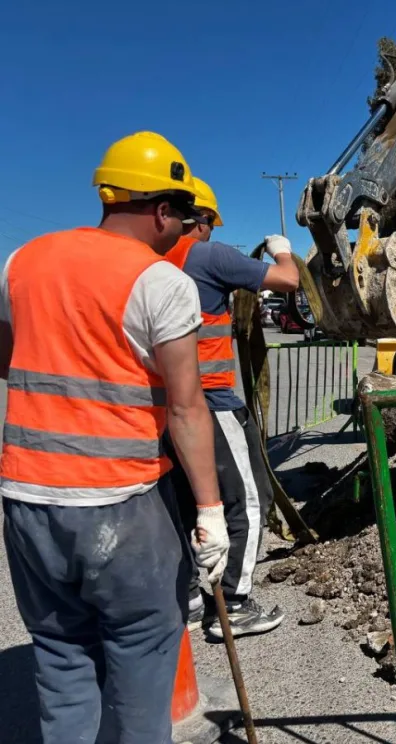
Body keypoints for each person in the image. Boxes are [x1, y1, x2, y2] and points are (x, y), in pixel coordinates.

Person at [0, 132, 229, 744]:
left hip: (27, 502)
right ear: (160, 210)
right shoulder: (160, 281)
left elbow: (8, 359)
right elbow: (186, 408)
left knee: (60, 656)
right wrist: (211, 513)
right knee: (140, 657)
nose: (185, 227)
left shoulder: (22, 261)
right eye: (183, 215)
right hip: (120, 507)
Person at [165, 176, 300, 638]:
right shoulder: (209, 255)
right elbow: (288, 280)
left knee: (186, 502)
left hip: (168, 405)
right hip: (213, 403)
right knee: (247, 501)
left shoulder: (157, 261)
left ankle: (186, 592)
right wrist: (283, 249)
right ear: (199, 220)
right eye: (209, 223)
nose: (211, 230)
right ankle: (235, 607)